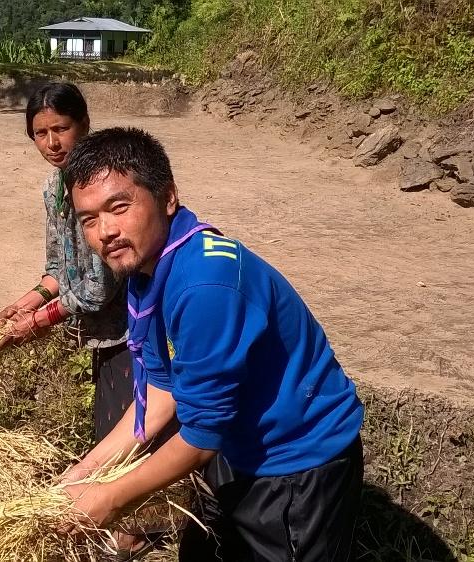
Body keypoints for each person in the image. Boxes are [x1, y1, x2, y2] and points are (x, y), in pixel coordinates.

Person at [61, 127, 366, 561]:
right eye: (89, 219)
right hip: (234, 442)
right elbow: (161, 389)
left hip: (296, 461)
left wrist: (110, 498)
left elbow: (202, 435)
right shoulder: (148, 269)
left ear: (168, 197)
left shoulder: (205, 284)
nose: (105, 231)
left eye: (119, 207)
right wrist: (87, 470)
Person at [0, 84, 155, 559]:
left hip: (132, 325)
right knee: (111, 422)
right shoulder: (53, 190)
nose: (52, 143)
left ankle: (135, 529)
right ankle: (129, 520)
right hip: (99, 332)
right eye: (40, 134)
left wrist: (39, 320)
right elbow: (58, 268)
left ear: (84, 123)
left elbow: (96, 287)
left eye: (61, 128)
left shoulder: (100, 184)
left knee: (128, 424)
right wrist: (26, 301)